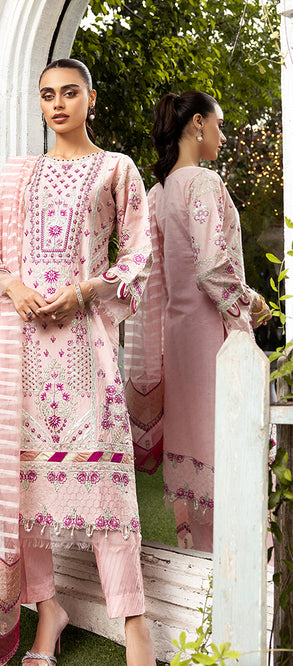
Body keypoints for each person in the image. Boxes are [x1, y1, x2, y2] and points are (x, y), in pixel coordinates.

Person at [0, 58, 156, 666]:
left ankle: (135, 623)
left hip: (86, 351)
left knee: (107, 490)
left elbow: (139, 254)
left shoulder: (116, 169)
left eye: (70, 93)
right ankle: (47, 612)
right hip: (20, 355)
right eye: (48, 94)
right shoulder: (19, 174)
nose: (58, 104)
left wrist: (86, 290)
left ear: (91, 98)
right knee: (21, 497)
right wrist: (11, 285)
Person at [124, 91, 271, 553]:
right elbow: (211, 268)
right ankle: (240, 564)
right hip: (212, 338)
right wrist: (250, 300)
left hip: (177, 341)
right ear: (198, 124)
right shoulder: (204, 183)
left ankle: (203, 562)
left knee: (199, 449)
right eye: (219, 125)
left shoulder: (159, 193)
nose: (223, 136)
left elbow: (153, 283)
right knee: (227, 445)